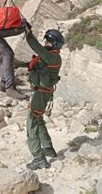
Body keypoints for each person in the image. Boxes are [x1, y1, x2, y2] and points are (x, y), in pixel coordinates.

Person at [24, 26, 64, 170]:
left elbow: (38, 48)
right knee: (39, 119)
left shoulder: (52, 57)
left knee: (32, 123)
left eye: (47, 41)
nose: (45, 43)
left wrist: (28, 35)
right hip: (42, 92)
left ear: (54, 44)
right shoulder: (52, 57)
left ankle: (38, 158)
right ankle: (48, 149)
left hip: (41, 93)